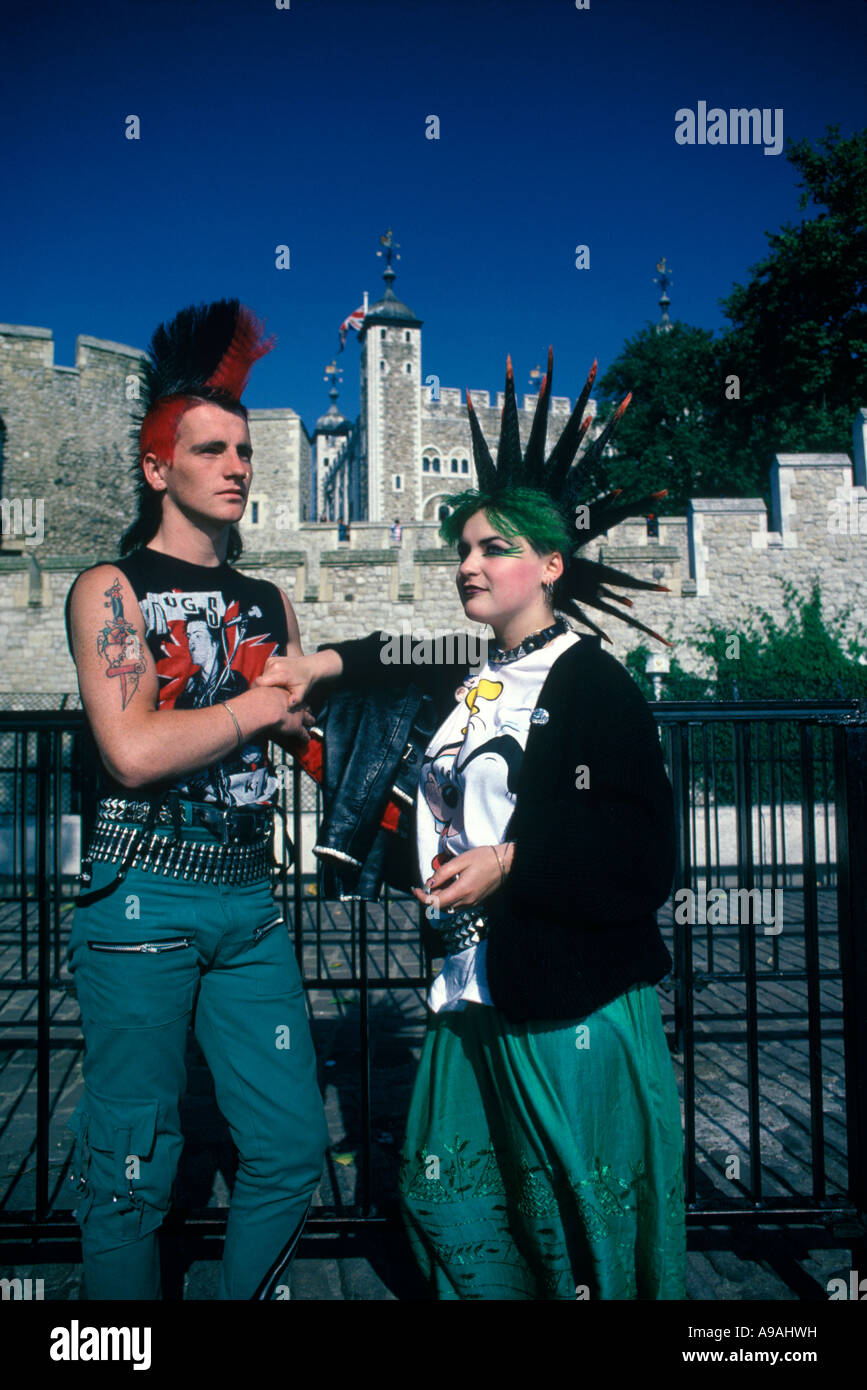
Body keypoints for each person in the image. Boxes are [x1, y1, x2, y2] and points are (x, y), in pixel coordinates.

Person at [257, 349, 686, 1300]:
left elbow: (643, 847)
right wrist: (314, 668)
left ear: (548, 566)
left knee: (580, 1205)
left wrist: (512, 862)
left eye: (493, 549)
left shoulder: (590, 681)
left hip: (563, 991)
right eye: (461, 550)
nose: (468, 565)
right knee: (451, 1190)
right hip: (466, 983)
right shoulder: (470, 672)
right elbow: (392, 652)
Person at [64, 300, 328, 1301]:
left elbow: (300, 745)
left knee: (293, 1146)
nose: (235, 467)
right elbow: (130, 749)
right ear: (156, 467)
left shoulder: (270, 602)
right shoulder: (110, 590)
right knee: (131, 1171)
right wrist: (263, 703)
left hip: (248, 903)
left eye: (245, 451)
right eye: (209, 449)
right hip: (141, 897)